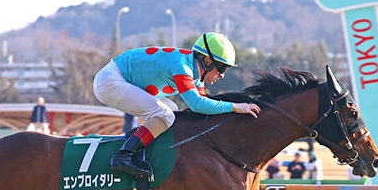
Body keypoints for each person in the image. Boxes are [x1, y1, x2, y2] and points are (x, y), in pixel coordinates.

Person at [93, 32, 261, 176]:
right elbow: (197, 105)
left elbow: (204, 108)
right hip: (110, 81)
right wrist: (235, 107)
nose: (222, 75)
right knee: (165, 115)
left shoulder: (196, 75)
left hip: (121, 79)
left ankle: (141, 148)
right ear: (207, 61)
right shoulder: (181, 66)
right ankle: (124, 155)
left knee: (171, 110)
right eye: (222, 68)